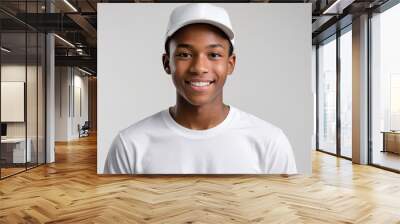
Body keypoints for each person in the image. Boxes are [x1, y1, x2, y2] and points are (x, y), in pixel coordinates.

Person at [104, 3, 297, 174]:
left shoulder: (270, 142)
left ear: (230, 64)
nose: (199, 67)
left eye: (213, 54)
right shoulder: (130, 145)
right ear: (166, 63)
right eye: (185, 54)